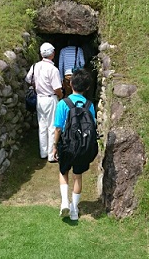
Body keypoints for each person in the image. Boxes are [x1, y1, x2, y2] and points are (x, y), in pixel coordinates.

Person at [52, 69, 95, 220]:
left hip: (67, 145)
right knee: (78, 176)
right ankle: (74, 210)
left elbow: (58, 127)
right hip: (82, 146)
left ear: (70, 84)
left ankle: (65, 202)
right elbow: (92, 127)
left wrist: (55, 145)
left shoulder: (63, 104)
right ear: (87, 87)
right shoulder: (89, 105)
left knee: (63, 172)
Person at [25, 42, 63, 162]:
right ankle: (52, 155)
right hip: (50, 98)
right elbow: (57, 88)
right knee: (52, 126)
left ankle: (43, 152)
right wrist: (61, 96)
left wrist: (37, 86)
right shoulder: (53, 69)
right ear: (52, 54)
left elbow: (28, 79)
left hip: (39, 98)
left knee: (42, 126)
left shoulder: (35, 66)